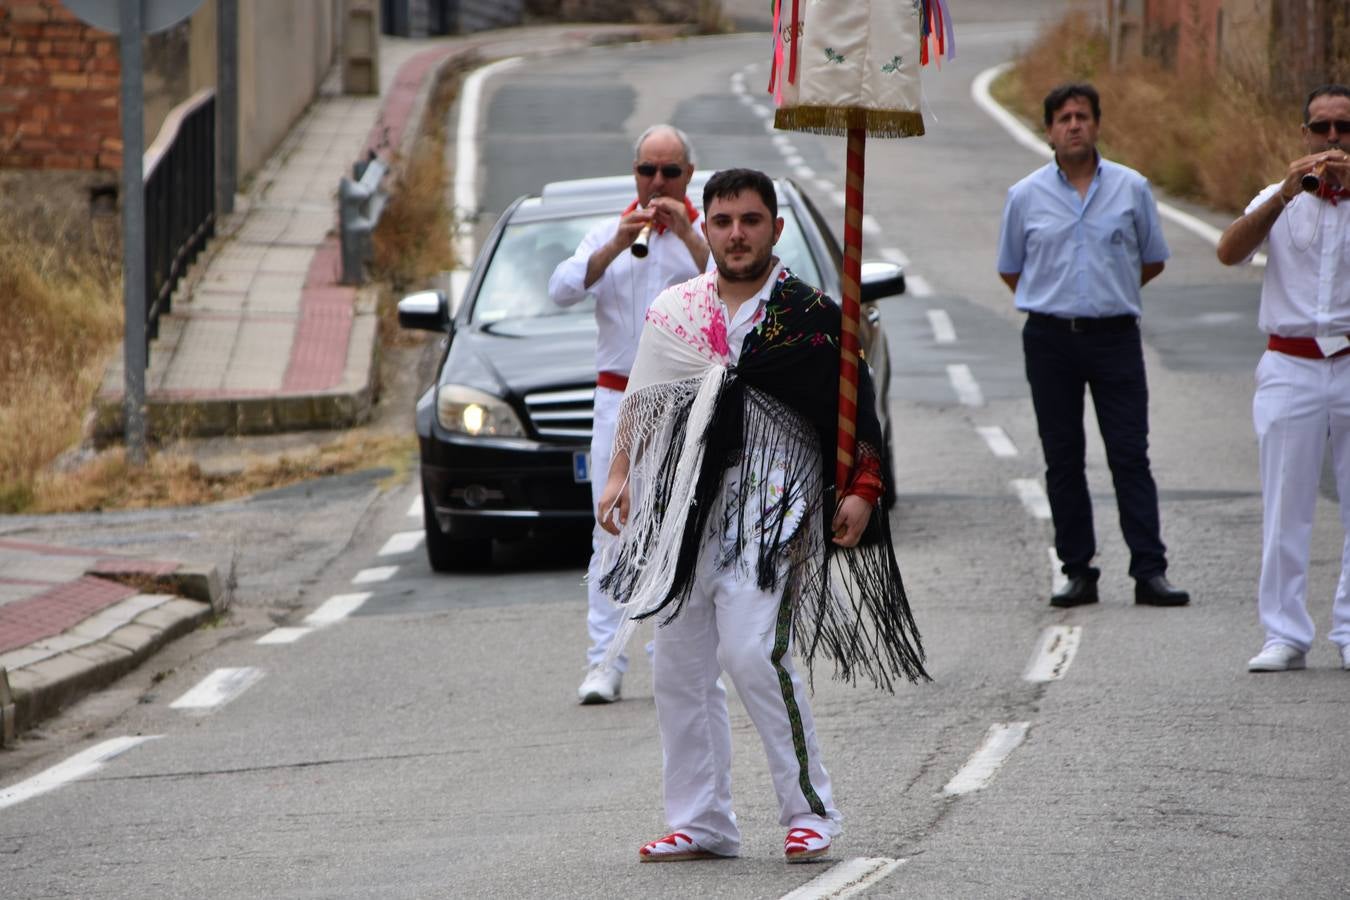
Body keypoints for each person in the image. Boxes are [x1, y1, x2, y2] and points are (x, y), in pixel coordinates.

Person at [595, 168, 926, 863]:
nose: (736, 234)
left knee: (751, 653)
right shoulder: (677, 311)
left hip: (776, 505)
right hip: (685, 508)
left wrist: (862, 488)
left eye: (750, 220)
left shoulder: (812, 317)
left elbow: (857, 410)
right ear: (705, 227)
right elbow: (643, 399)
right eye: (722, 221)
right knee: (677, 666)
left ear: (775, 229)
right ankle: (701, 820)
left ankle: (810, 811)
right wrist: (620, 474)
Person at [996, 82, 1190, 610]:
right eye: (1063, 118)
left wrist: (1109, 294)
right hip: (1050, 340)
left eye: (1082, 116)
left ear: (1097, 125)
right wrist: (1057, 299)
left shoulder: (1132, 188)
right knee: (1063, 458)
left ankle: (1150, 571)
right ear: (1049, 131)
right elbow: (1012, 268)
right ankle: (1078, 571)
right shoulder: (1025, 196)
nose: (1074, 125)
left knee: (1130, 455)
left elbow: (1151, 259)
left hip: (1115, 338)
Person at [548, 125, 711, 704]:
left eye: (670, 172)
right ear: (635, 173)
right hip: (617, 401)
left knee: (678, 527)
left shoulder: (705, 234)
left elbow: (731, 285)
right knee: (611, 531)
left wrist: (688, 234)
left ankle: (671, 658)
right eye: (647, 171)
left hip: (682, 399)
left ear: (688, 175)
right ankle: (604, 663)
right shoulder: (607, 232)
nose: (657, 182)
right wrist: (616, 245)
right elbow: (561, 289)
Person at [1215, 84, 1350, 673]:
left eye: (1344, 127)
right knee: (1285, 504)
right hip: (1291, 363)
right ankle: (1285, 633)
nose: (1332, 139)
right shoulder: (1279, 196)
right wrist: (1283, 196)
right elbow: (1228, 252)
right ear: (1304, 135)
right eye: (1321, 128)